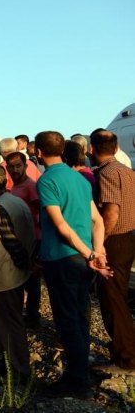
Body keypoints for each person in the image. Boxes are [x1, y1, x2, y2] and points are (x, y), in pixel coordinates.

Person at [35, 131, 112, 398]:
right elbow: (97, 221)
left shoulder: (46, 181)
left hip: (62, 259)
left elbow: (61, 227)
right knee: (80, 317)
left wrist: (91, 254)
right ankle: (81, 370)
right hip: (81, 260)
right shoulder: (80, 179)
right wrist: (97, 251)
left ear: (38, 152)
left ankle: (77, 381)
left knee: (68, 321)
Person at [0, 165, 36, 382]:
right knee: (12, 321)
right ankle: (14, 365)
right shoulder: (16, 200)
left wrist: (24, 263)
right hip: (16, 271)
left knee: (8, 323)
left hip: (6, 274)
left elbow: (10, 241)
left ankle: (19, 371)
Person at [90, 130, 135, 372]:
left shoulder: (106, 173)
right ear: (116, 147)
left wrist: (99, 245)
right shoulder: (127, 171)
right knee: (119, 296)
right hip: (128, 239)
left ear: (92, 148)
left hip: (114, 241)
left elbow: (111, 212)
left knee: (112, 300)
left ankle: (126, 359)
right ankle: (125, 348)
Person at [5, 151, 42, 329]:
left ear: (26, 166)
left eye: (18, 166)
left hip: (32, 240)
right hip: (20, 239)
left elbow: (40, 211)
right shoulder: (15, 186)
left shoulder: (30, 186)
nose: (14, 170)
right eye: (11, 167)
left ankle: (33, 316)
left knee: (32, 280)